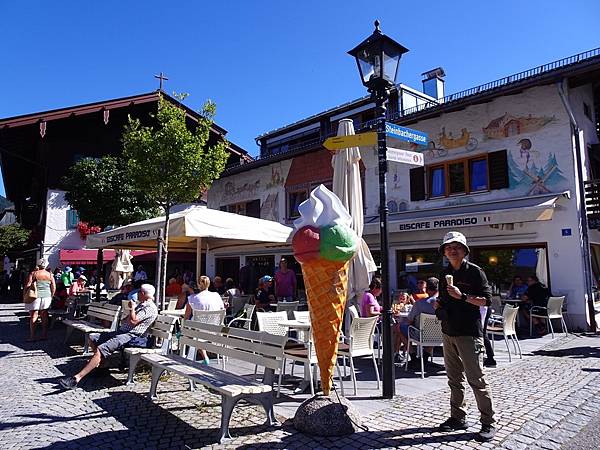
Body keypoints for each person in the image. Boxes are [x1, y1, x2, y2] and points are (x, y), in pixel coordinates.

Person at [434, 231, 496, 442]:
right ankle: (458, 418)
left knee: (476, 380)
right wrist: (439, 304)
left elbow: (487, 301)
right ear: (444, 252)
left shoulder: (475, 272)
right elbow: (442, 298)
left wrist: (463, 297)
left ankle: (488, 422)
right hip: (448, 331)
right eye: (448, 247)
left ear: (464, 251)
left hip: (469, 333)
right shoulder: (444, 273)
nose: (452, 249)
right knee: (454, 380)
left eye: (456, 246)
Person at [59, 284, 158, 390]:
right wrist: (130, 312)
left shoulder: (150, 308)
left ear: (143, 293)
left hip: (132, 336)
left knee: (101, 350)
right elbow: (127, 320)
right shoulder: (142, 305)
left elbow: (133, 321)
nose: (137, 294)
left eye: (139, 292)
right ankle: (103, 365)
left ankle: (76, 379)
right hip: (122, 332)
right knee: (92, 338)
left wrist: (132, 308)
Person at [396, 277, 438, 366]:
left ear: (427, 288)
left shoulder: (419, 303)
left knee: (399, 327)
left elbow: (408, 321)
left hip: (421, 335)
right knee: (433, 330)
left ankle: (413, 356)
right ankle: (425, 357)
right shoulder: (445, 303)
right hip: (441, 335)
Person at [186, 276, 225, 365]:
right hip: (215, 329)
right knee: (196, 331)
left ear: (199, 285)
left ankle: (204, 356)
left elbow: (187, 315)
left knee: (188, 330)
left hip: (199, 330)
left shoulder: (193, 298)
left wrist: (183, 324)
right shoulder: (216, 295)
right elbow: (222, 309)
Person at [24, 258, 56, 341]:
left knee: (34, 315)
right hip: (47, 297)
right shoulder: (49, 275)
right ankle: (44, 335)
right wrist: (51, 295)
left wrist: (24, 294)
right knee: (44, 316)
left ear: (38, 264)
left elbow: (28, 285)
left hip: (35, 296)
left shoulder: (34, 273)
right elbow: (53, 287)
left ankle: (32, 336)